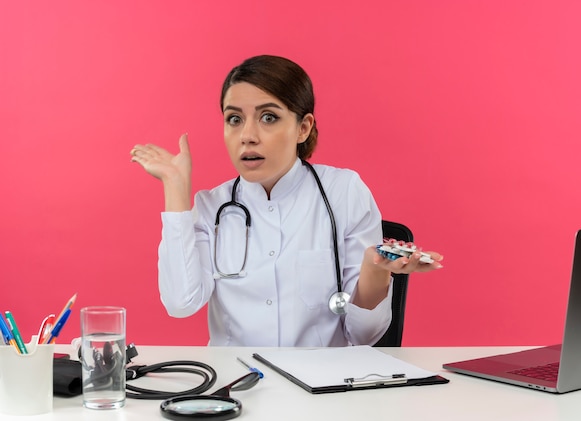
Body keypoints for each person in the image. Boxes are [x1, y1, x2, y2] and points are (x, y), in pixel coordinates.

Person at [130, 55, 443, 347]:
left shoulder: (344, 192)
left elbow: (363, 337)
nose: (247, 135)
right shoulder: (212, 207)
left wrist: (374, 270)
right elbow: (180, 303)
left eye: (268, 117)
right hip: (237, 388)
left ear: (302, 128)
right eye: (234, 119)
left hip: (321, 391)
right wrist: (175, 190)